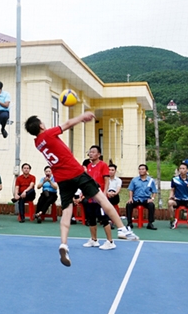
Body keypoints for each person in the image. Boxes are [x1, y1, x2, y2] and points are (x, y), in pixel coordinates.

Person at [25, 112, 138, 267]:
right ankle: (122, 229)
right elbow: (68, 124)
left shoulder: (37, 142)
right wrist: (82, 117)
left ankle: (64, 244)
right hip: (76, 173)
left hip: (62, 179)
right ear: (41, 126)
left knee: (66, 212)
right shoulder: (48, 134)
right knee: (102, 199)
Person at [83, 145, 116, 250]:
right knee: (91, 218)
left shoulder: (103, 165)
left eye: (93, 152)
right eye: (90, 152)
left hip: (100, 196)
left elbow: (106, 180)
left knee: (103, 219)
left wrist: (104, 194)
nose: (91, 153)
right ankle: (94, 240)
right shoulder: (88, 166)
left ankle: (110, 241)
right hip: (90, 196)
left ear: (99, 155)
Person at [126, 164, 158, 230]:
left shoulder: (151, 180)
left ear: (146, 171)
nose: (141, 170)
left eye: (143, 169)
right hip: (136, 199)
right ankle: (129, 223)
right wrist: (130, 198)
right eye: (140, 169)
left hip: (146, 199)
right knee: (129, 204)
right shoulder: (134, 180)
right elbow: (131, 190)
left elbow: (154, 191)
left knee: (151, 205)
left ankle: (150, 223)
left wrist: (152, 199)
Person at [169, 162, 188, 229]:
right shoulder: (174, 179)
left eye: (183, 168)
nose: (181, 170)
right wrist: (171, 196)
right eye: (180, 168)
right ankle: (172, 220)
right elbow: (172, 189)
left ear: (187, 170)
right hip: (177, 200)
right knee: (169, 203)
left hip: (187, 201)